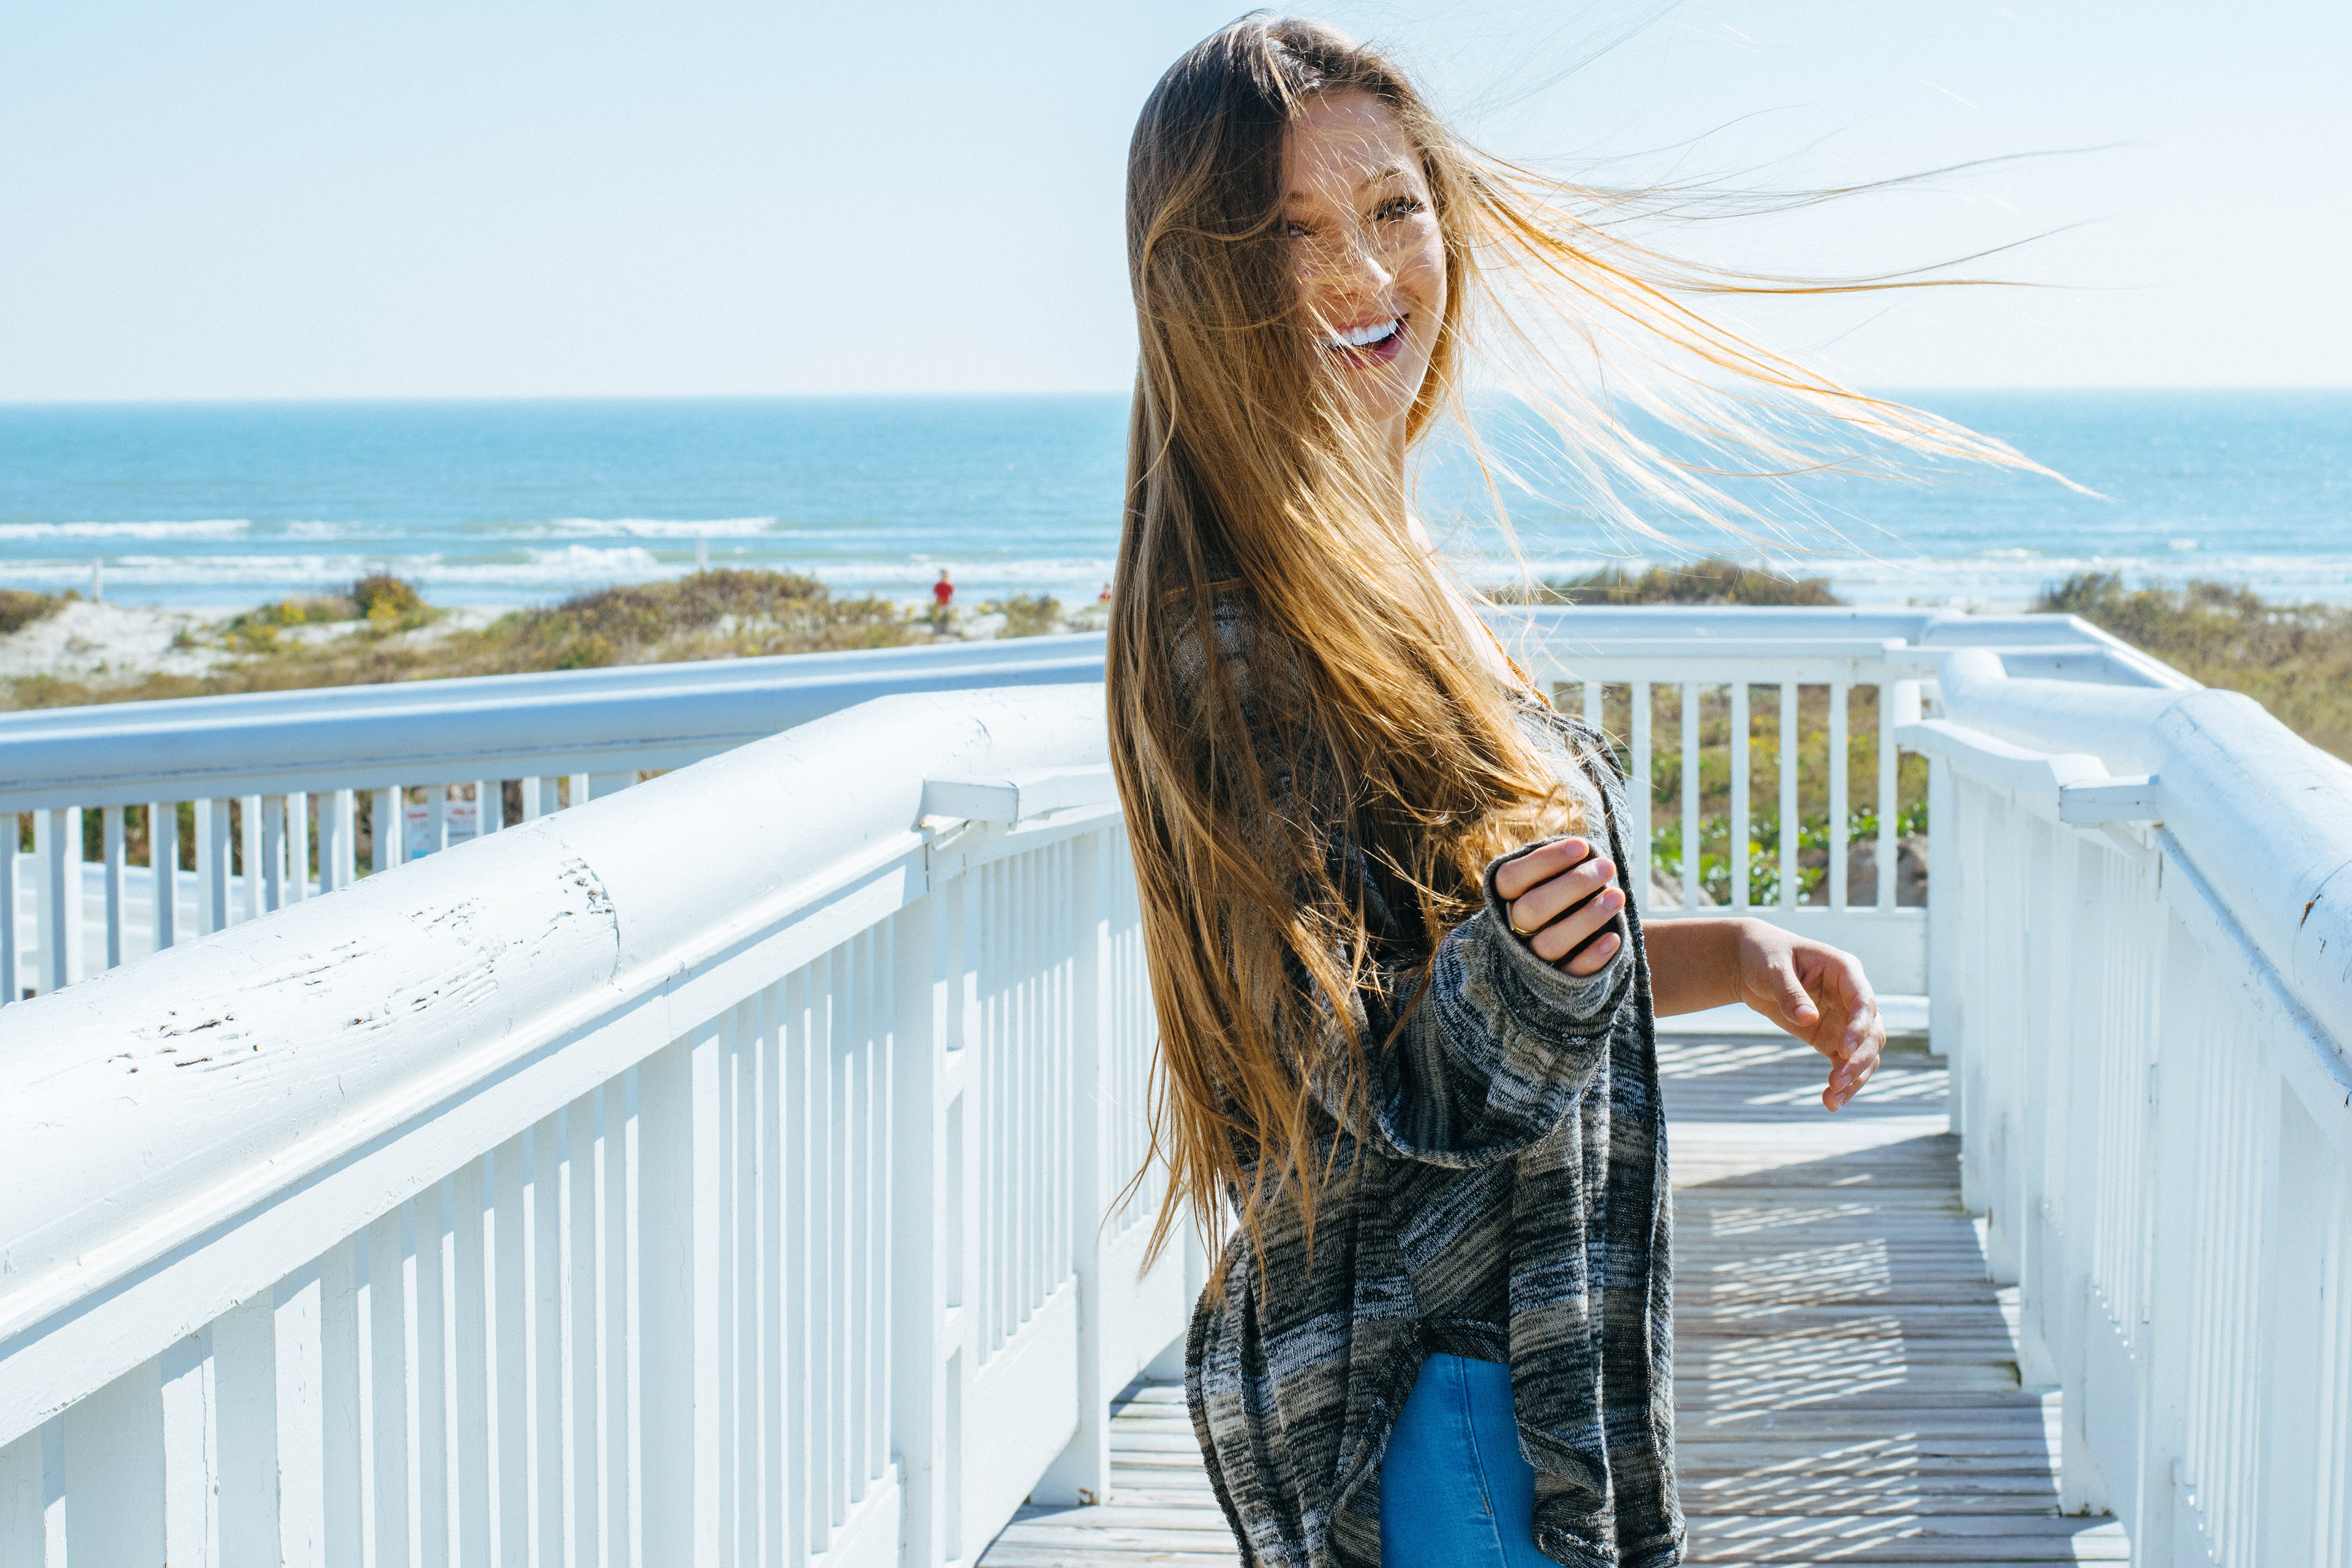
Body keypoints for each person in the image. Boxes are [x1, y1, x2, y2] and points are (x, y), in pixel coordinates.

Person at [1104, 18, 2041, 1568]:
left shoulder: (1389, 561)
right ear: (1205, 280)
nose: (1364, 271)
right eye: (1292, 232)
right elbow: (1373, 1074)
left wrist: (1726, 955)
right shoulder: (1237, 641)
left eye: (1395, 207)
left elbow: (1482, 954)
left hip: (1523, 1395)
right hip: (1441, 1413)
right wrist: (1532, 976)